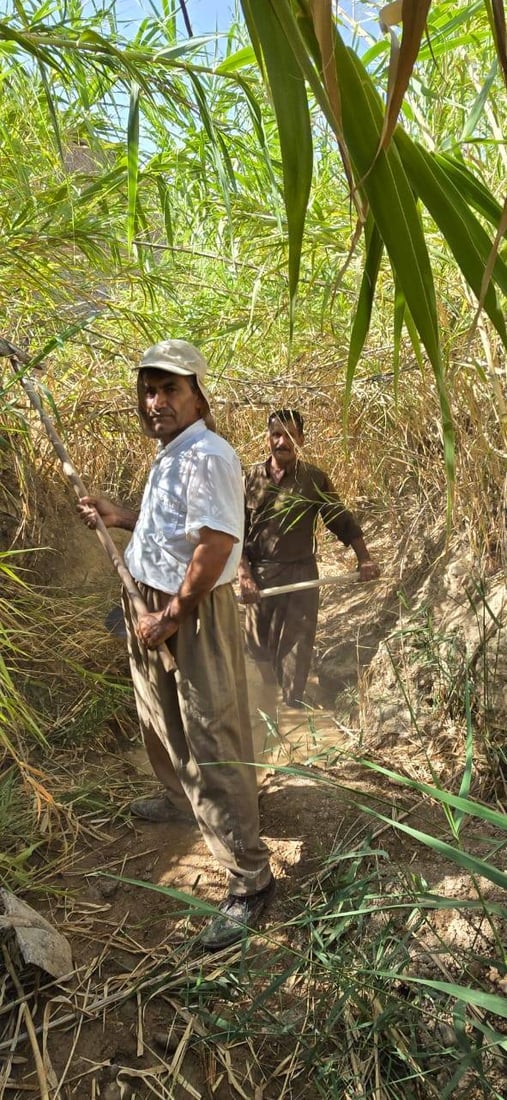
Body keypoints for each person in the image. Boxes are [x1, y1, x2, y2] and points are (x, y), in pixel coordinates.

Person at [78, 340, 274, 950]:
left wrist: (173, 613)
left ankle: (250, 878)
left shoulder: (210, 455)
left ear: (198, 395)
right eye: (148, 389)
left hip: (185, 613)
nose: (155, 401)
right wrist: (120, 517)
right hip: (150, 604)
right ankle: (179, 798)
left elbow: (214, 546)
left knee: (209, 734)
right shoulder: (171, 453)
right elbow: (171, 527)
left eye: (169, 389)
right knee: (158, 719)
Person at [239, 409, 379, 708]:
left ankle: (293, 705)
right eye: (276, 434)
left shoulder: (313, 479)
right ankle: (266, 704)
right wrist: (244, 574)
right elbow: (235, 533)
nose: (282, 441)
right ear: (267, 438)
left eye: (290, 435)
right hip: (259, 577)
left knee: (295, 647)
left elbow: (340, 520)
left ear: (301, 439)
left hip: (301, 576)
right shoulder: (250, 479)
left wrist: (364, 559)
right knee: (257, 649)